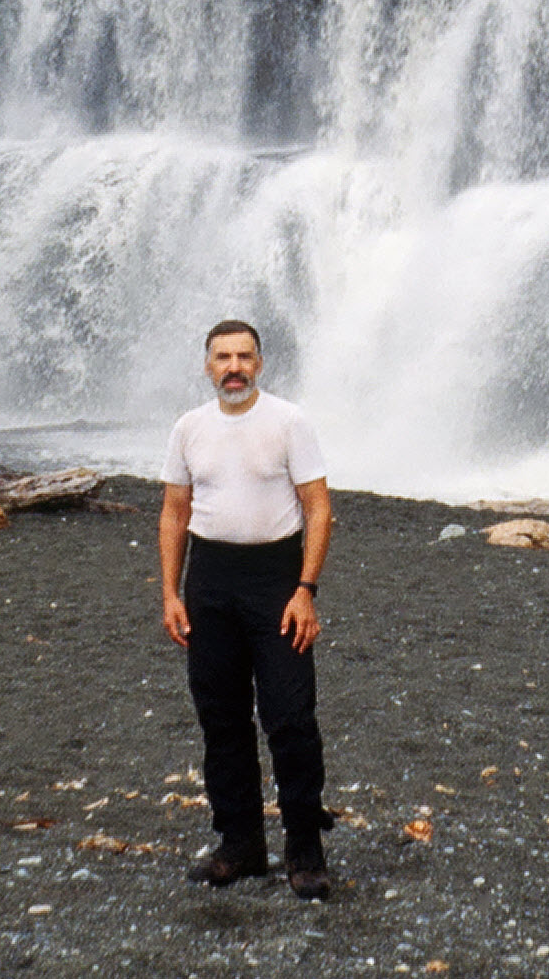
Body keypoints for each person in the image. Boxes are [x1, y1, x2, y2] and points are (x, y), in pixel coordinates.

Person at [159, 318, 335, 899]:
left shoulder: (289, 421)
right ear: (207, 365)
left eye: (243, 356)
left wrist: (305, 588)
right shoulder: (189, 428)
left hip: (276, 581)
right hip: (209, 581)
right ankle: (240, 845)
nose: (233, 367)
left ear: (260, 364)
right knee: (222, 719)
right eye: (222, 357)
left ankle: (305, 852)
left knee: (290, 718)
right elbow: (173, 513)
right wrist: (170, 593)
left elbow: (317, 506)